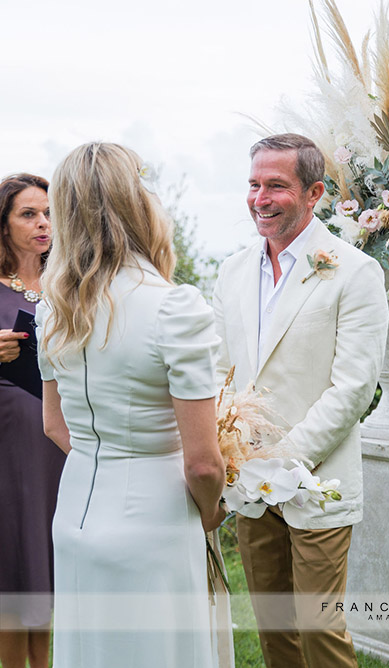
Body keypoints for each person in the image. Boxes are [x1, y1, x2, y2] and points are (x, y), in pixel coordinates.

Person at [35, 142, 228, 668]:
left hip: (74, 517)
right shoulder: (175, 307)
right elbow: (204, 462)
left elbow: (54, 424)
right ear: (138, 204)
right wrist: (212, 511)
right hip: (154, 523)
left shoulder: (53, 309)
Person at [212, 133, 389, 668]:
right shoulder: (231, 271)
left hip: (319, 478)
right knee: (274, 629)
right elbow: (222, 373)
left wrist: (284, 461)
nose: (259, 198)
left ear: (314, 193)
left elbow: (354, 387)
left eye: (276, 186)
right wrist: (234, 455)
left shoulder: (355, 271)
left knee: (320, 631)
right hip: (247, 479)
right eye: (253, 185)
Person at [0, 173, 65, 668]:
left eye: (47, 213)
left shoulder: (71, 281)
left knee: (50, 557)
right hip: (10, 442)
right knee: (15, 557)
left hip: (66, 441)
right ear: (3, 224)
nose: (43, 223)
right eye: (28, 214)